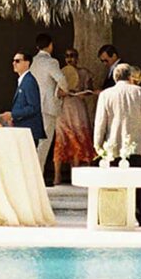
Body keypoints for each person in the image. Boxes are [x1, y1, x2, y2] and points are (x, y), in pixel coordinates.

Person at [92, 62, 141, 226]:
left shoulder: (106, 95)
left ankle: (118, 216)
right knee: (140, 184)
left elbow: (100, 121)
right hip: (139, 145)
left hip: (114, 146)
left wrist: (97, 144)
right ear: (130, 77)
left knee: (117, 182)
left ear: (115, 77)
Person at [51, 55, 96, 185]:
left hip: (77, 107)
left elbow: (90, 90)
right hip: (63, 108)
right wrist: (63, 93)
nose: (70, 59)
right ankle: (57, 175)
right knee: (61, 139)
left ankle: (75, 174)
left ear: (77, 58)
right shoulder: (60, 72)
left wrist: (82, 92)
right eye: (67, 56)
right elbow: (54, 91)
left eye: (72, 56)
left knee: (78, 137)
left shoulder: (84, 73)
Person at [30, 34, 65, 170]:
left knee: (34, 141)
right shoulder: (51, 62)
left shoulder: (32, 61)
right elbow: (61, 79)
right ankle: (38, 171)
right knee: (44, 142)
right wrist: (64, 90)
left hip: (33, 104)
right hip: (47, 105)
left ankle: (33, 170)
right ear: (50, 45)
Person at [0, 51, 46, 146]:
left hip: (28, 131)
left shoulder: (29, 81)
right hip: (23, 130)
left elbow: (33, 107)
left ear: (27, 63)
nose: (14, 63)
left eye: (17, 61)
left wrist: (12, 114)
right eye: (13, 61)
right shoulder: (24, 80)